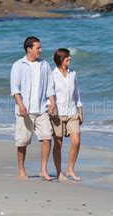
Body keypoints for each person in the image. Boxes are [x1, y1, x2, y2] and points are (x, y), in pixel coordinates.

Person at [10, 36, 56, 180]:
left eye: (40, 47)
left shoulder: (45, 65)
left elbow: (50, 87)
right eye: (38, 48)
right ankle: (21, 171)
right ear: (29, 49)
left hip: (42, 109)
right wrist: (21, 105)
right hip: (25, 111)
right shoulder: (18, 65)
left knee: (47, 138)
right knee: (22, 142)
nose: (41, 50)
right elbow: (15, 88)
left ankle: (43, 170)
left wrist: (52, 103)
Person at [50, 48, 83, 181]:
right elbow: (49, 94)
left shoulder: (73, 73)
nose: (69, 59)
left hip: (72, 112)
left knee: (76, 141)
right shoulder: (52, 75)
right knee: (58, 144)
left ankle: (70, 170)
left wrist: (80, 110)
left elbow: (77, 94)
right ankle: (59, 172)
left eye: (69, 57)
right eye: (67, 57)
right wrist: (50, 108)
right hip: (58, 114)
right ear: (60, 59)